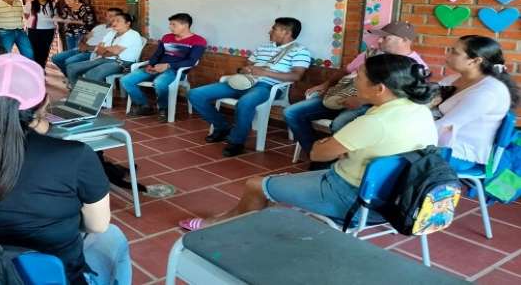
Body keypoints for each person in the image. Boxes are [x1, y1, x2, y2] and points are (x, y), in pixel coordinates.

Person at [0, 54, 131, 285]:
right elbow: (97, 225)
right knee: (113, 236)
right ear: (44, 102)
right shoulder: (76, 156)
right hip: (54, 277)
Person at [179, 54, 438, 231]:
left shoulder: (375, 122)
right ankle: (288, 195)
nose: (353, 80)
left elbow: (319, 153)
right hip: (395, 197)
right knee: (288, 178)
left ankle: (222, 227)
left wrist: (330, 144)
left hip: (350, 197)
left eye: (358, 76)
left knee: (256, 184)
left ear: (380, 88)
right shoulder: (419, 110)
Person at [284, 21, 428, 167]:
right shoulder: (372, 53)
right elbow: (346, 70)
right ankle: (318, 156)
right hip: (342, 95)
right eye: (380, 37)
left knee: (341, 123)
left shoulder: (415, 66)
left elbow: (402, 99)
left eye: (386, 38)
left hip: (370, 104)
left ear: (404, 40)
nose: (379, 41)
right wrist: (325, 85)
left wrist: (362, 101)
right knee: (292, 112)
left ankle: (330, 163)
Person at [189, 18, 311, 157]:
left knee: (246, 102)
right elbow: (244, 67)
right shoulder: (263, 47)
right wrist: (244, 69)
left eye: (274, 28)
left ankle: (236, 142)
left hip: (267, 87)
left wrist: (264, 72)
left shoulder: (300, 51)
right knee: (195, 94)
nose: (269, 31)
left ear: (286, 32)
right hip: (244, 82)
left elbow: (296, 76)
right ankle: (222, 127)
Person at [433, 35, 519, 170]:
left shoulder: (488, 92)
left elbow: (446, 126)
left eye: (454, 52)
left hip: (458, 154)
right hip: (441, 143)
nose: (448, 54)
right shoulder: (454, 79)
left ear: (475, 61)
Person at [123, 13, 207, 121]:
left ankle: (164, 109)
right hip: (156, 68)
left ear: (185, 25)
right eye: (170, 24)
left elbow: (191, 61)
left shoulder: (198, 41)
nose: (170, 27)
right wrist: (151, 65)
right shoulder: (167, 37)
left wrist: (168, 65)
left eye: (173, 24)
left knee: (160, 82)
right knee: (126, 80)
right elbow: (157, 54)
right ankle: (144, 106)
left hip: (176, 71)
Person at [66, 13, 143, 85]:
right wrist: (108, 50)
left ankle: (95, 98)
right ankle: (76, 93)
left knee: (92, 73)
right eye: (113, 21)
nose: (114, 23)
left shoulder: (133, 34)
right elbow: (99, 49)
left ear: (128, 23)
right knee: (72, 68)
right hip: (105, 58)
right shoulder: (111, 33)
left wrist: (105, 50)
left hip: (123, 62)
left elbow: (115, 51)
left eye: (118, 21)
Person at [51, 7, 121, 76]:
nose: (108, 18)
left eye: (111, 16)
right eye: (107, 15)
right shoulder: (100, 27)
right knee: (56, 58)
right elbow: (86, 37)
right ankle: (70, 75)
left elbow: (106, 48)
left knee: (69, 61)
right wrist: (81, 43)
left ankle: (73, 77)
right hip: (81, 48)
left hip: (92, 52)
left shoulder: (116, 31)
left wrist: (87, 48)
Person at [27, 0, 57, 68]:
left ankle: (41, 68)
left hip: (49, 31)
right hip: (34, 30)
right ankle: (35, 68)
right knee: (34, 50)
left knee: (45, 51)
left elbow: (55, 17)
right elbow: (26, 16)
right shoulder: (30, 4)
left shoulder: (53, 5)